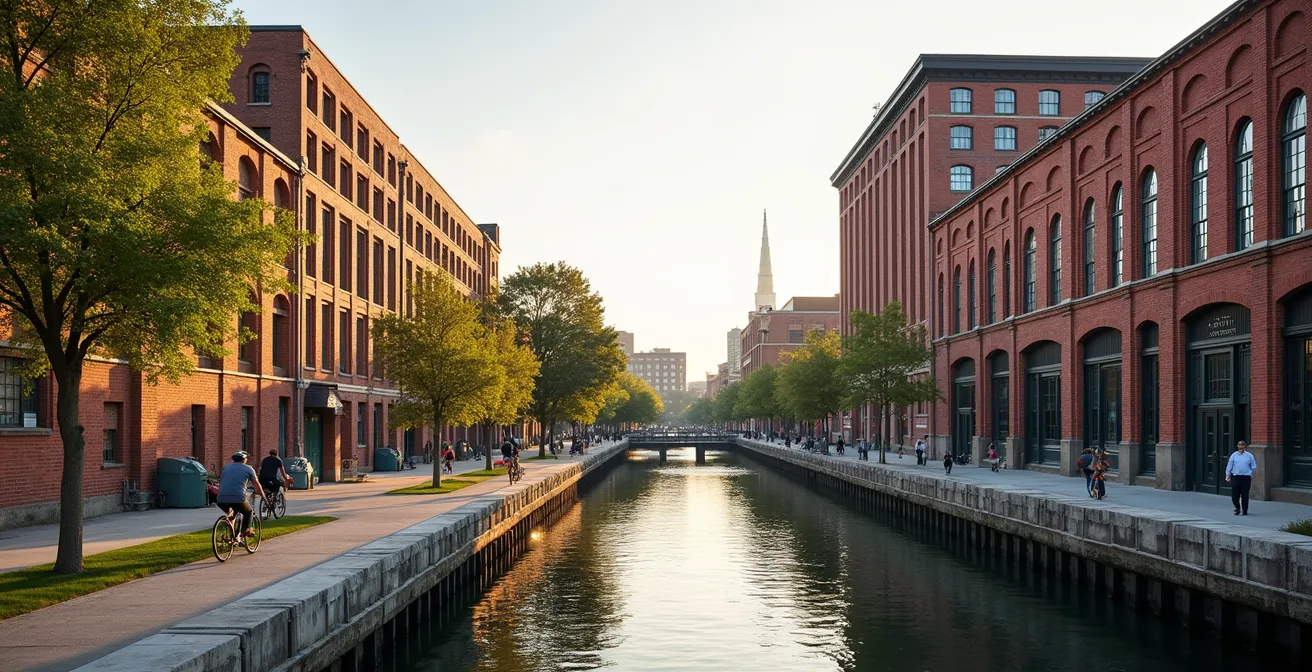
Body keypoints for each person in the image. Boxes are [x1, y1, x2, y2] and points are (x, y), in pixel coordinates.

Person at [217, 451, 264, 543]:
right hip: (238, 497)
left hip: (221, 498)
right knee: (248, 512)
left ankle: (232, 535)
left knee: (232, 514)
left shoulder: (226, 467)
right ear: (244, 459)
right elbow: (256, 484)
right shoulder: (248, 468)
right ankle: (244, 532)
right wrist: (262, 494)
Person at [1226, 440, 1257, 515]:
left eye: (1242, 445)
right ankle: (1237, 507)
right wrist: (1227, 475)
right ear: (1237, 446)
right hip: (1236, 477)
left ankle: (1245, 510)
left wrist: (1250, 472)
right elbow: (1229, 465)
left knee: (1245, 495)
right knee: (1235, 495)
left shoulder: (1249, 455)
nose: (1241, 446)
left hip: (1245, 478)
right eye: (1239, 445)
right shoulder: (1234, 455)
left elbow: (1253, 466)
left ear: (1245, 446)